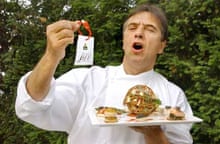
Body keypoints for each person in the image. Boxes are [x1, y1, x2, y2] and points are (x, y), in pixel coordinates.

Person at [15, 4, 193, 144]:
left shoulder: (173, 96)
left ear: (162, 46)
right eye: (132, 28)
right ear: (124, 41)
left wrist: (153, 132)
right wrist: (51, 56)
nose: (138, 33)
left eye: (149, 29)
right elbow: (32, 105)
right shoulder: (86, 81)